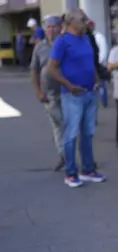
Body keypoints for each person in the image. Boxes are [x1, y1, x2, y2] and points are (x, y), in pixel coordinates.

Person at [48, 8, 105, 188]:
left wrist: (96, 79)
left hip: (89, 92)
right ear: (71, 21)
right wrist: (68, 85)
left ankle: (88, 169)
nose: (86, 22)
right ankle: (70, 172)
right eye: (83, 19)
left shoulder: (86, 38)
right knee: (71, 134)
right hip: (72, 95)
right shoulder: (62, 42)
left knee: (88, 132)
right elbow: (52, 68)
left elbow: (90, 62)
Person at [30, 15, 64, 171]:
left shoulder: (64, 44)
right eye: (48, 27)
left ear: (60, 27)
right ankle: (64, 156)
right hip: (49, 95)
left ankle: (66, 156)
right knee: (59, 125)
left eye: (54, 26)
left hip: (67, 91)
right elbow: (34, 70)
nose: (51, 30)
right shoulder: (39, 47)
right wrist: (37, 92)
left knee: (66, 126)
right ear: (44, 29)